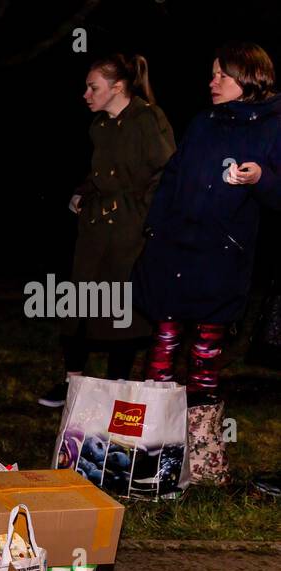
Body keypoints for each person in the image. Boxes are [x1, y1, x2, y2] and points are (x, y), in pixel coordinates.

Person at [132, 43, 281, 406]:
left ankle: (199, 442)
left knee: (205, 355)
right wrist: (156, 228)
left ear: (247, 78)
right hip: (174, 250)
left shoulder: (274, 127)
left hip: (221, 259)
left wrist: (261, 177)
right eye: (212, 73)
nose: (212, 82)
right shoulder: (204, 121)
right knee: (162, 345)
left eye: (222, 75)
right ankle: (154, 437)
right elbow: (173, 176)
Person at [38, 55, 176, 408]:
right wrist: (82, 192)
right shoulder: (99, 126)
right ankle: (74, 385)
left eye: (93, 87)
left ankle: (117, 387)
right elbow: (100, 172)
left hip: (130, 231)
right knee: (77, 304)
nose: (86, 94)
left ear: (118, 87)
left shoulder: (148, 119)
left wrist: (144, 218)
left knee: (121, 314)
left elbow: (165, 172)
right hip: (96, 228)